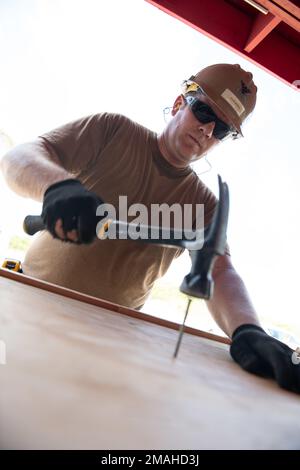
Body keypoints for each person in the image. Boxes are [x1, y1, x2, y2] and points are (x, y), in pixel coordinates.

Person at [1, 63, 299, 393]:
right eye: (202, 112)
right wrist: (58, 187)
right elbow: (19, 157)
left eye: (221, 130)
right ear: (177, 104)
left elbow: (219, 271)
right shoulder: (113, 130)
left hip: (112, 334)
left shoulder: (204, 206)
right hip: (27, 299)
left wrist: (247, 330)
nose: (206, 130)